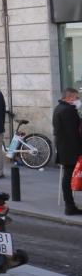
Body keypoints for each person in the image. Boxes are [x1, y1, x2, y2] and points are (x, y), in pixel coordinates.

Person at [51, 87, 81, 216]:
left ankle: (69, 205)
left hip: (65, 148)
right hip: (71, 149)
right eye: (76, 98)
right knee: (68, 178)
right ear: (69, 98)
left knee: (67, 177)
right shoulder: (68, 110)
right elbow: (74, 132)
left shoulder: (59, 108)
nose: (78, 100)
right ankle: (70, 206)